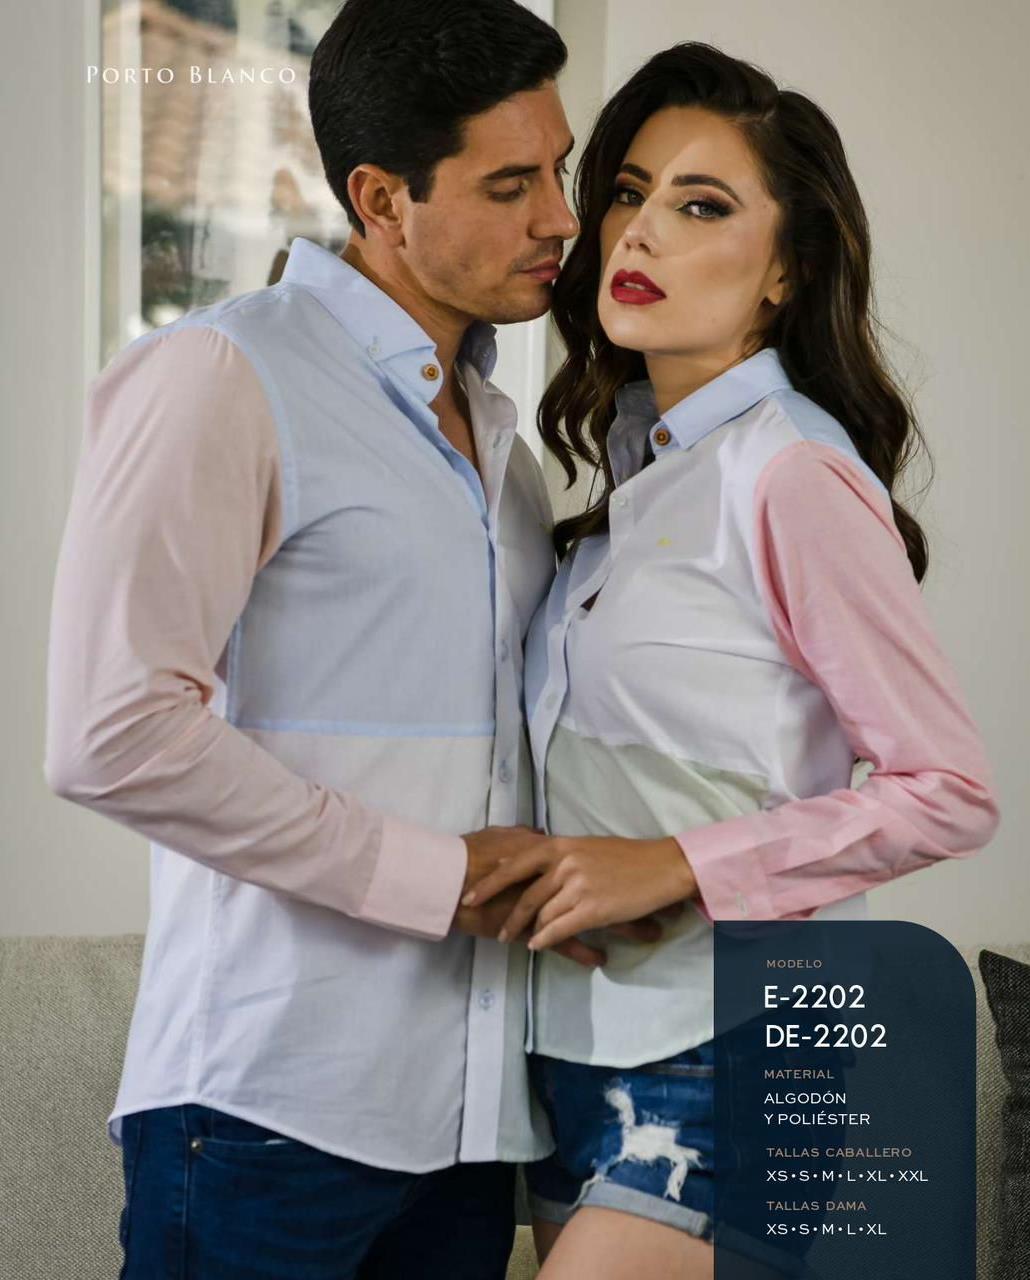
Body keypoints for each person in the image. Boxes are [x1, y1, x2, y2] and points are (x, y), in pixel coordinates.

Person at [42, 2, 666, 1275]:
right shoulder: (225, 375)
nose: (560, 217)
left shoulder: (502, 445)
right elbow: (112, 734)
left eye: (558, 169)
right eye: (510, 184)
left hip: (470, 1125)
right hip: (268, 1112)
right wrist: (437, 876)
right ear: (381, 198)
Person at [461, 41, 1001, 1278]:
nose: (640, 230)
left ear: (784, 271)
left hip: (735, 1044)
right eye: (629, 192)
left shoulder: (789, 472)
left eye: (701, 206)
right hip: (573, 1045)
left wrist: (671, 863)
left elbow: (947, 789)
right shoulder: (635, 479)